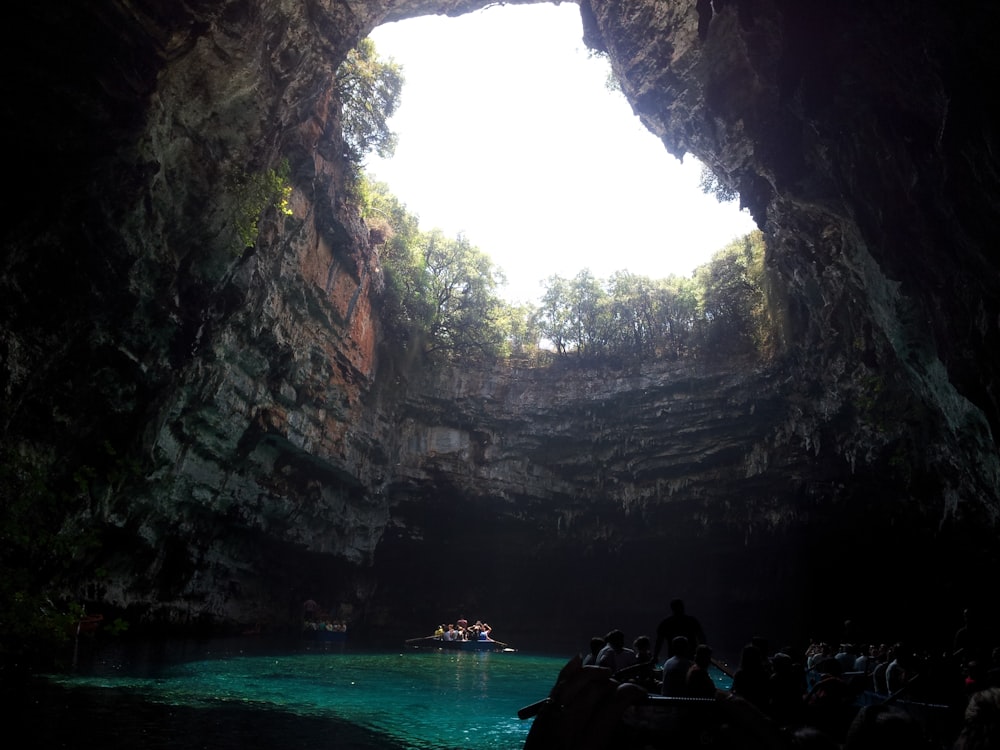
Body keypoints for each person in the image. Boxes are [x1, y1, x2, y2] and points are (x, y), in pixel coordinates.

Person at [653, 599, 706, 664]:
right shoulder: (691, 621)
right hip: (690, 656)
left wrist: (655, 656)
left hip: (674, 656)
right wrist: (703, 654)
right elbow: (701, 638)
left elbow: (659, 642)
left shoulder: (666, 623)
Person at [731, 642, 770, 711]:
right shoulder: (764, 674)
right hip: (761, 709)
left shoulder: (740, 674)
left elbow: (735, 691)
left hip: (743, 710)